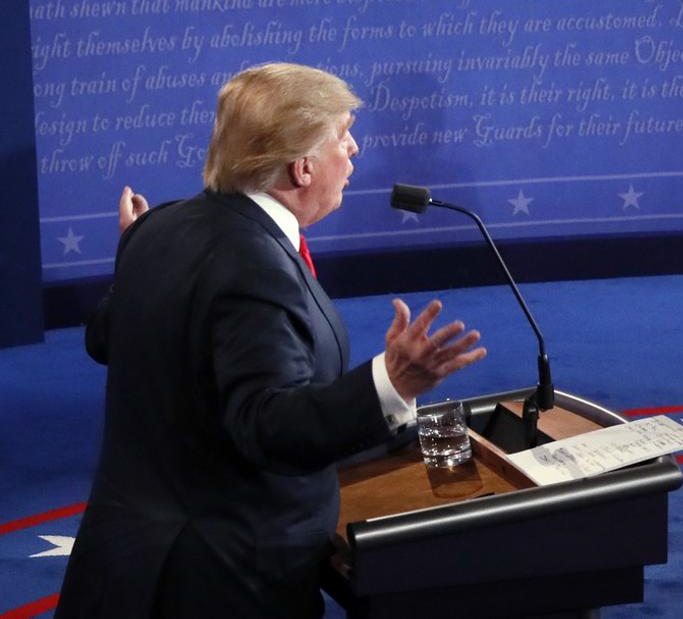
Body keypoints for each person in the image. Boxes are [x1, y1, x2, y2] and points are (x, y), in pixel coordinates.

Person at [56, 63, 487, 618]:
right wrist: (391, 383)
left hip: (125, 567)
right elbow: (268, 427)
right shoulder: (253, 262)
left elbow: (106, 338)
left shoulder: (157, 226)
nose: (354, 149)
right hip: (221, 582)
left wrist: (141, 261)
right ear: (302, 167)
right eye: (342, 134)